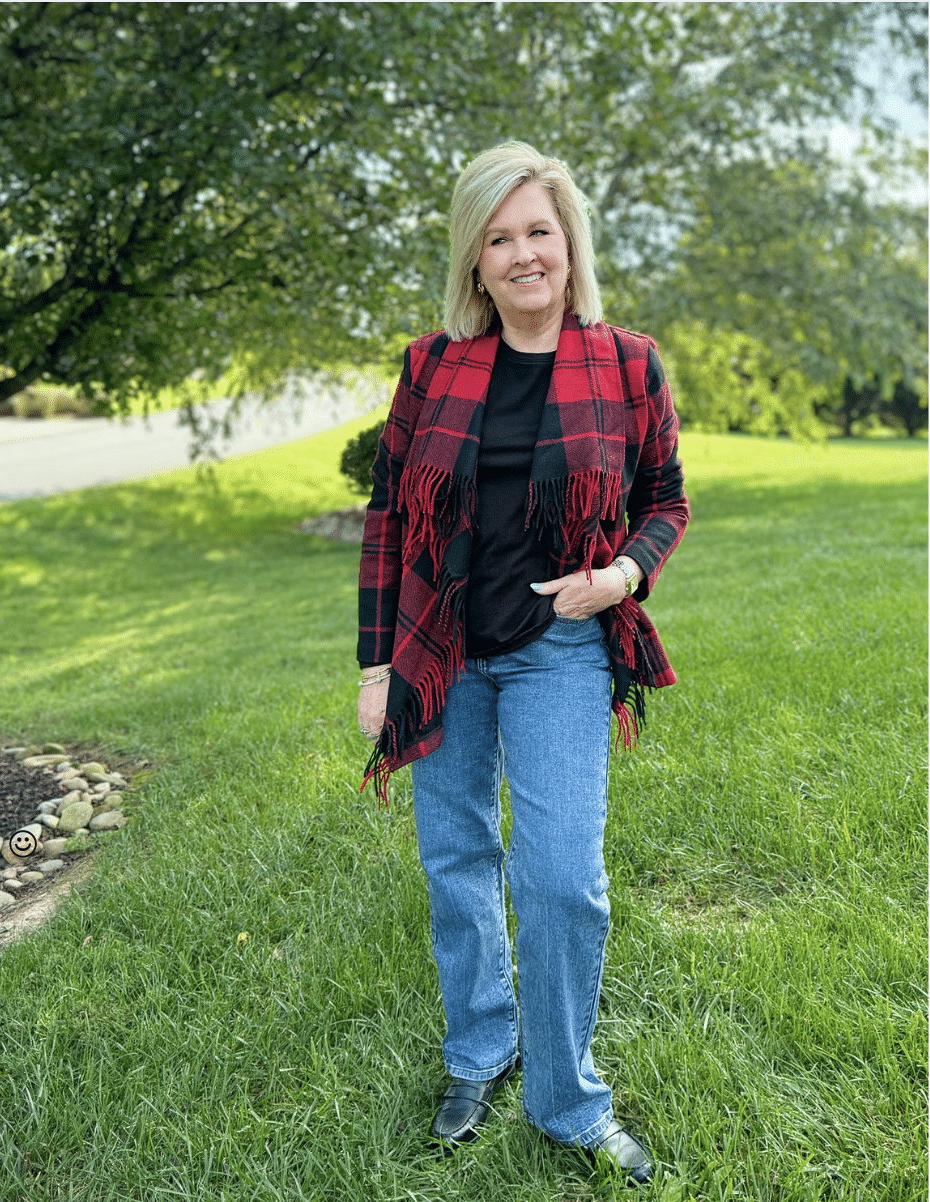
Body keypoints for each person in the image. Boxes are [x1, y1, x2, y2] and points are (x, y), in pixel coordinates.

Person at [356, 142, 689, 1185]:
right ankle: (478, 1049)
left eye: (538, 230)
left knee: (561, 879)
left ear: (568, 241)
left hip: (560, 649)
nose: (521, 254)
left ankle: (565, 1098)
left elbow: (666, 500)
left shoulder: (626, 363)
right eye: (497, 238)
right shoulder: (431, 366)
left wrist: (620, 576)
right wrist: (375, 669)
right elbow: (385, 519)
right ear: (475, 259)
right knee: (456, 858)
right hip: (440, 645)